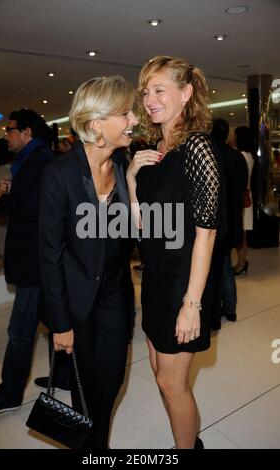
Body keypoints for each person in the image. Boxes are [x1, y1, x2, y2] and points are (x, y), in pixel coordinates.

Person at [126, 56, 221, 449]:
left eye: (159, 89)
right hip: (155, 276)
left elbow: (207, 234)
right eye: (146, 91)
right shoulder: (156, 148)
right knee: (159, 372)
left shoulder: (198, 149)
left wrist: (192, 303)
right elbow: (142, 226)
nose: (149, 99)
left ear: (186, 94)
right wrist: (132, 178)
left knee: (172, 381)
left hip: (185, 282)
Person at [38, 75, 137, 449]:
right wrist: (59, 322)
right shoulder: (60, 173)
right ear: (96, 123)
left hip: (115, 293)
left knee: (109, 383)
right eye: (124, 114)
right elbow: (49, 255)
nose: (133, 121)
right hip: (76, 303)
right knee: (84, 391)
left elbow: (134, 230)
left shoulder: (124, 164)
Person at [0, 109, 54, 414]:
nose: (6, 135)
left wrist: (2, 200)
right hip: (39, 258)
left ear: (27, 133)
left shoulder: (40, 161)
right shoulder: (34, 160)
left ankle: (10, 393)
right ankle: (62, 375)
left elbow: (33, 207)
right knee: (52, 319)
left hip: (36, 260)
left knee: (21, 330)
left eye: (10, 130)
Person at [210, 118, 248, 328]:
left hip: (215, 222)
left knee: (212, 270)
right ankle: (231, 309)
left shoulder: (209, 155)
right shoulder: (237, 156)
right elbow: (242, 187)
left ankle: (214, 317)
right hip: (233, 218)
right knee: (224, 265)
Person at [233, 126, 255, 275]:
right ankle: (241, 263)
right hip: (246, 195)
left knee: (240, 235)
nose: (233, 138)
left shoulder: (241, 156)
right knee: (241, 234)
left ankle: (241, 264)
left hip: (241, 197)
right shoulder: (249, 155)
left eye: (235, 135)